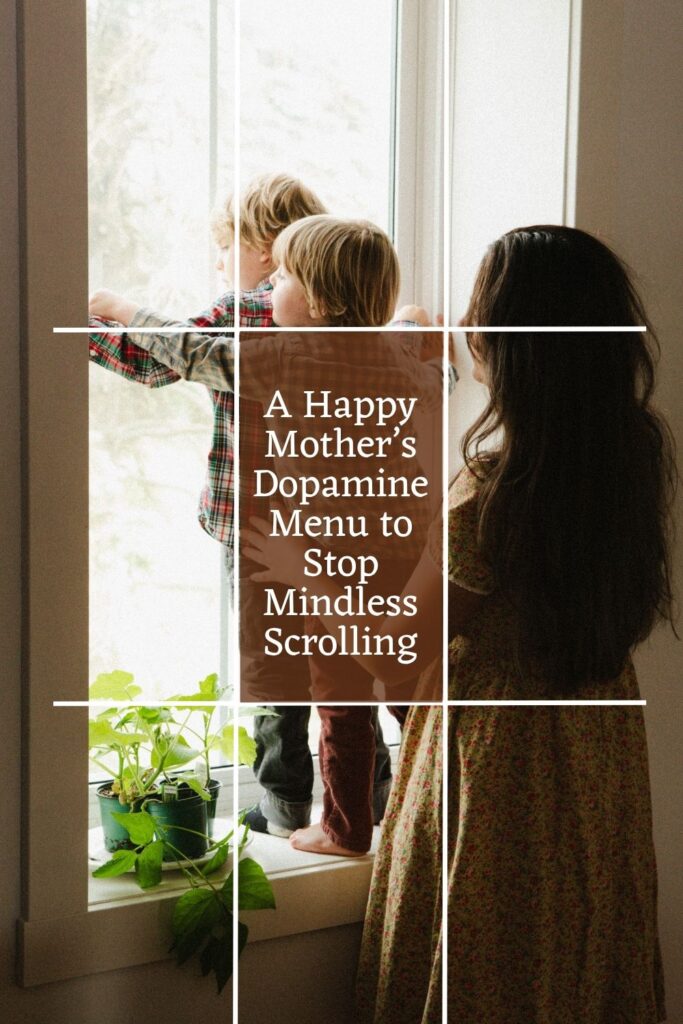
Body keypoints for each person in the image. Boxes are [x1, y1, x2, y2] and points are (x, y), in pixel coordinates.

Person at [243, 226, 676, 1020]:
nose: (466, 324)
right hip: (598, 742)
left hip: (500, 757)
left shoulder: (494, 487)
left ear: (512, 341)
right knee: (576, 941)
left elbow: (398, 654)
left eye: (479, 309)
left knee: (488, 956)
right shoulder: (630, 451)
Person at [90, 214, 445, 855]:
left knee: (339, 699)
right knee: (407, 689)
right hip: (401, 550)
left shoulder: (287, 357)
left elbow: (192, 349)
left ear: (319, 300)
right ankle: (451, 786)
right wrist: (416, 320)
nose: (269, 287)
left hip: (325, 557)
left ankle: (344, 828)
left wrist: (120, 307)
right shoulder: (397, 350)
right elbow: (415, 332)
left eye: (281, 276)